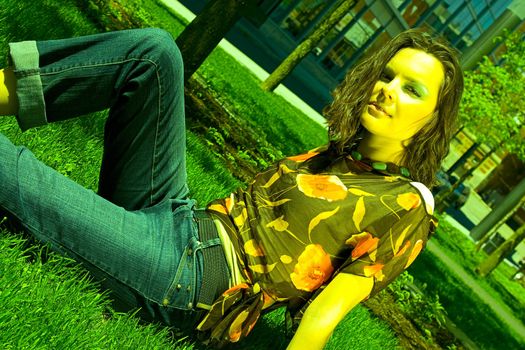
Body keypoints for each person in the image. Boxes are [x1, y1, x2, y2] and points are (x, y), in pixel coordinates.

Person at [0, 27, 463, 348]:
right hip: (182, 217)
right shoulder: (341, 155)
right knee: (157, 54)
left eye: (413, 89)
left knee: (18, 172)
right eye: (388, 76)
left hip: (192, 281)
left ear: (434, 118)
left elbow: (322, 319)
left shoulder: (405, 209)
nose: (388, 89)